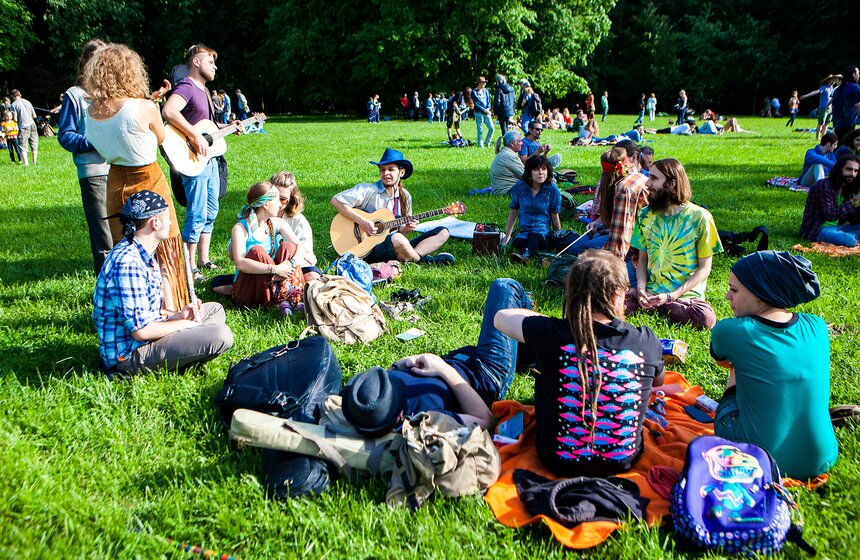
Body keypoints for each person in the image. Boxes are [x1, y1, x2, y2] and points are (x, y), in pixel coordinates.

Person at [495, 250, 664, 477]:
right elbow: (659, 383)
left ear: (572, 293)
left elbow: (500, 318)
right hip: (623, 462)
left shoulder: (552, 334)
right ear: (616, 295)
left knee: (504, 288)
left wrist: (545, 324)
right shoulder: (646, 341)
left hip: (556, 461)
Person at [343, 277, 533, 436]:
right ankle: (543, 350)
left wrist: (397, 366)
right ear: (400, 415)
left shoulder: (358, 400)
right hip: (485, 373)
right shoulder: (425, 419)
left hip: (457, 360)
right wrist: (442, 369)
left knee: (509, 319)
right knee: (505, 287)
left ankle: (525, 353)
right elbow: (485, 419)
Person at [711, 251, 837, 480]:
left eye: (734, 290)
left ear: (760, 293)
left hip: (756, 459)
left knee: (737, 364)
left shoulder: (731, 330)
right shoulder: (817, 326)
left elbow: (722, 360)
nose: (728, 297)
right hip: (822, 458)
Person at [83, 42, 189, 312]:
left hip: (115, 184)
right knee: (165, 247)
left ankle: (136, 307)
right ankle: (171, 306)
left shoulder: (91, 112)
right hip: (148, 180)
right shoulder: (144, 107)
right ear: (131, 71)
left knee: (128, 250)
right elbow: (161, 137)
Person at [93, 190, 233, 377]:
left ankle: (187, 351)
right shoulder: (128, 264)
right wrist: (185, 324)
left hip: (146, 337)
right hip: (129, 355)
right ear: (155, 223)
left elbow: (149, 313)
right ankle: (182, 357)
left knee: (215, 310)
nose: (170, 222)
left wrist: (178, 315)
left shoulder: (142, 252)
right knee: (221, 335)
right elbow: (141, 331)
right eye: (167, 218)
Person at [626, 158, 723, 329]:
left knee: (705, 319)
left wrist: (672, 296)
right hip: (650, 293)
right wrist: (641, 290)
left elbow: (704, 269)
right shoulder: (645, 215)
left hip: (685, 297)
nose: (647, 183)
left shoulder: (700, 217)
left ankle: (665, 306)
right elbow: (643, 259)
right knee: (604, 304)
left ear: (672, 183)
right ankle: (651, 304)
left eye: (654, 178)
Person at [162, 44, 232, 276]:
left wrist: (230, 127)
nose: (214, 66)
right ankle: (188, 264)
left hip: (209, 159)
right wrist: (193, 135)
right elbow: (169, 112)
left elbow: (206, 127)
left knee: (211, 210)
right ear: (196, 62)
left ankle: (204, 259)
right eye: (210, 61)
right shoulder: (187, 86)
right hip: (193, 159)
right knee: (198, 211)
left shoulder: (204, 92)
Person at [331, 148, 453, 265]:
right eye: (382, 169)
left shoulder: (405, 196)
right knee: (398, 239)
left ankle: (411, 257)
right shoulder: (368, 190)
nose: (386, 173)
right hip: (366, 248)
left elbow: (400, 232)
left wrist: (407, 229)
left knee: (443, 232)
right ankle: (423, 260)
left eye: (391, 169)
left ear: (401, 172)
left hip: (392, 243)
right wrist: (363, 222)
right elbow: (336, 200)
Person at [57, 40, 114, 274]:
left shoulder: (112, 93)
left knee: (123, 227)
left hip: (118, 167)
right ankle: (107, 287)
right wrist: (92, 142)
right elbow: (65, 135)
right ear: (86, 63)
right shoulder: (74, 95)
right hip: (93, 172)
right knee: (103, 233)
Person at [210, 182, 306, 313]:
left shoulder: (277, 223)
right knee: (257, 252)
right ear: (266, 204)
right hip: (253, 286)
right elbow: (240, 263)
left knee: (288, 246)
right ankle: (281, 299)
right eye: (277, 199)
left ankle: (287, 298)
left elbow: (299, 246)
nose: (280, 204)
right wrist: (274, 269)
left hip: (276, 280)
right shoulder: (241, 228)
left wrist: (290, 264)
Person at [504, 155, 578, 265]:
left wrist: (558, 235)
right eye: (536, 169)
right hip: (523, 230)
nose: (541, 172)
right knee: (520, 241)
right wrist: (507, 236)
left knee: (535, 236)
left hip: (542, 231)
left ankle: (526, 256)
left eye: (544, 169)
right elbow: (513, 212)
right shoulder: (520, 187)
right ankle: (534, 254)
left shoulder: (552, 189)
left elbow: (554, 214)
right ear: (529, 172)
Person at [799, 155, 860, 247]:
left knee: (850, 236)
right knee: (850, 240)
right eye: (849, 169)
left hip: (840, 227)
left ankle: (848, 236)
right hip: (820, 228)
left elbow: (850, 217)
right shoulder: (823, 186)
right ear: (839, 169)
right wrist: (853, 201)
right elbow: (830, 215)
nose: (852, 174)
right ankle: (850, 237)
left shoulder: (848, 187)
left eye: (856, 171)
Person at [272, 171, 320, 278]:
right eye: (273, 197)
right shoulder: (256, 216)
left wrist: (289, 266)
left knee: (313, 276)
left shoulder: (298, 221)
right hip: (264, 267)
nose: (277, 203)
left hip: (292, 267)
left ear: (291, 200)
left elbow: (307, 257)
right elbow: (234, 253)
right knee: (225, 286)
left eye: (283, 199)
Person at [800, 74, 840, 141]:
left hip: (830, 109)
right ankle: (817, 137)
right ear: (829, 80)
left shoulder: (832, 88)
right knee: (821, 123)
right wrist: (805, 96)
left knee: (826, 123)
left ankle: (823, 137)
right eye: (832, 79)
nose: (834, 81)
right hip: (823, 108)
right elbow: (816, 92)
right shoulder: (824, 87)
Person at [490, 129, 525, 195]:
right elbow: (525, 176)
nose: (522, 143)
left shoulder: (505, 152)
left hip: (502, 190)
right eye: (520, 141)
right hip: (507, 191)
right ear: (512, 143)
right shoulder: (510, 156)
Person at [831, 66, 860, 144]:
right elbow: (857, 106)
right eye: (858, 73)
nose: (859, 75)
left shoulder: (837, 89)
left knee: (840, 144)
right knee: (847, 146)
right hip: (849, 123)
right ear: (853, 75)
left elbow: (833, 107)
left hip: (837, 124)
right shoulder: (855, 87)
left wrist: (834, 123)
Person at [9, 89, 37, 166]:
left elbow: (15, 119)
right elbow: (34, 116)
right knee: (34, 143)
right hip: (32, 124)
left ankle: (26, 164)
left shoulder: (13, 105)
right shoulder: (28, 102)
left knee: (22, 145)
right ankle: (34, 162)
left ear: (12, 96)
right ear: (19, 94)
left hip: (23, 126)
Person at [471, 76, 494, 148]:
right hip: (479, 113)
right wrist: (484, 110)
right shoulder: (474, 92)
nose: (485, 84)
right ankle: (480, 145)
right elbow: (476, 104)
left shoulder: (486, 91)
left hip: (487, 112)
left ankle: (487, 142)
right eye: (483, 83)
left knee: (491, 128)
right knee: (480, 129)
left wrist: (488, 108)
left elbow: (488, 101)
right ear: (479, 83)